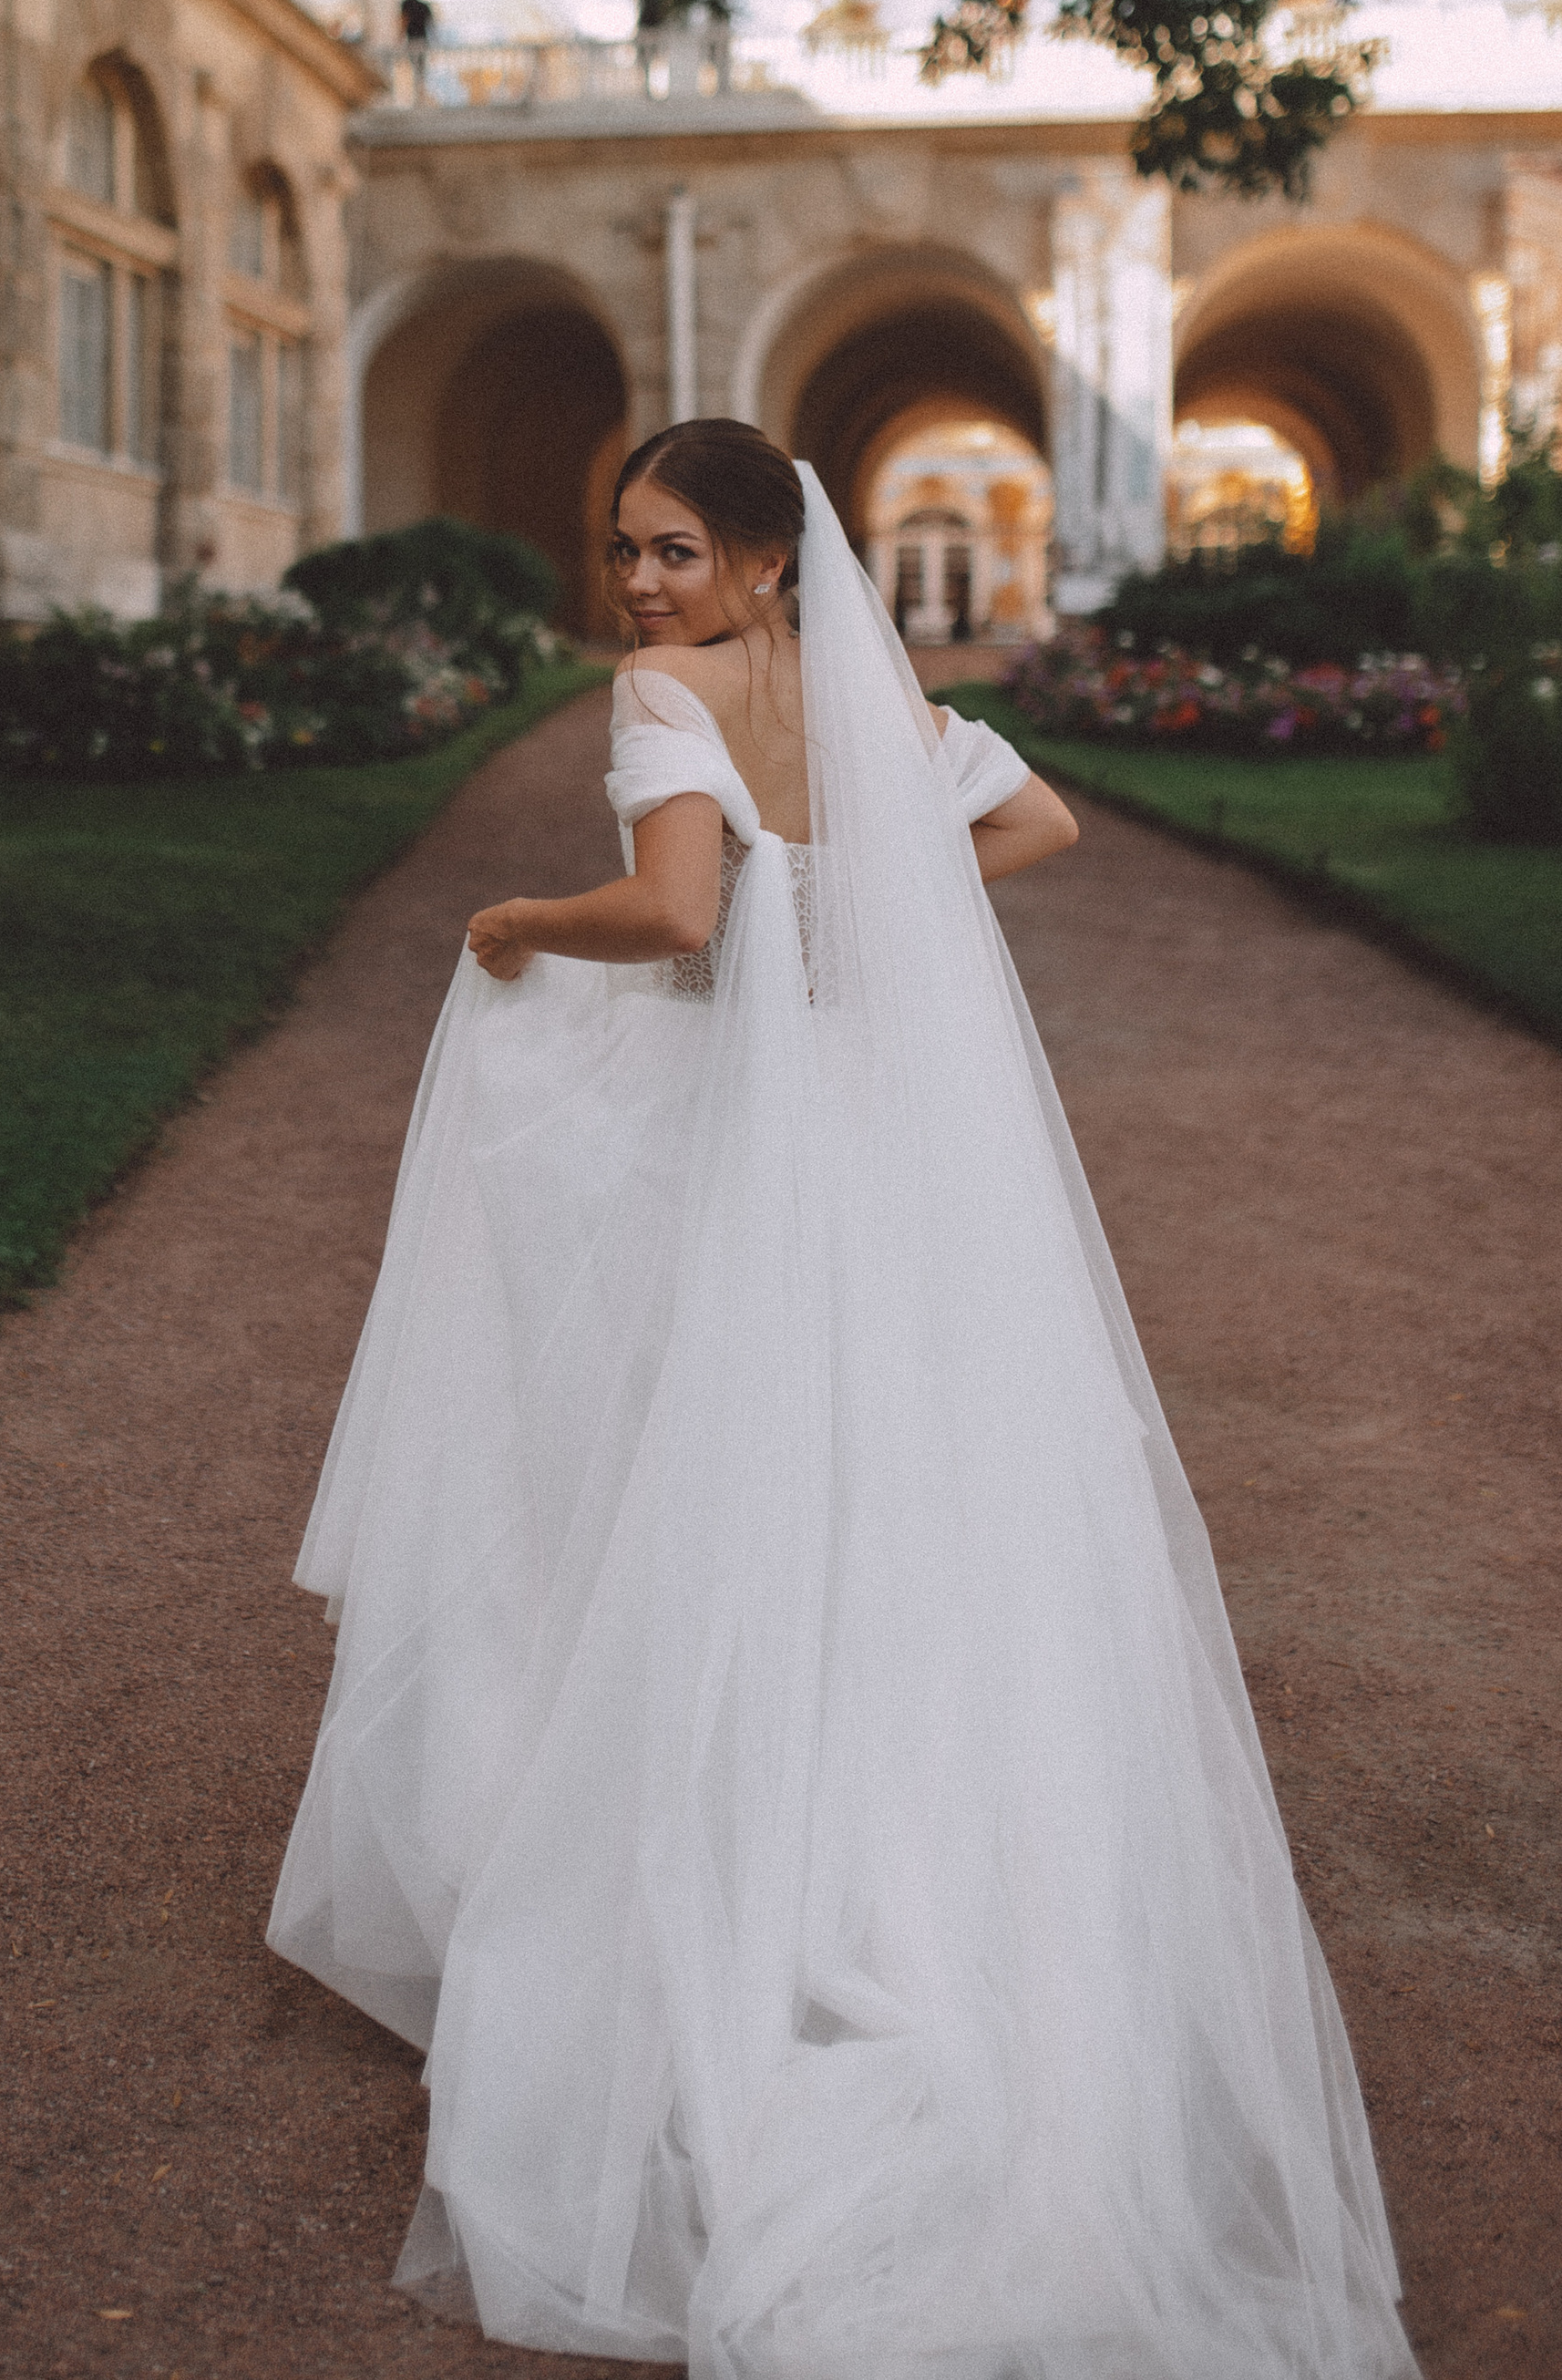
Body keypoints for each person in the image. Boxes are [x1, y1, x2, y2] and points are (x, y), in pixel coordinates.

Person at [267, 421, 1415, 2379]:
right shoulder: (879, 705)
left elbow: (673, 917)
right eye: (624, 547)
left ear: (762, 559)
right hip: (865, 1134)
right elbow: (1035, 824)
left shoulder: (663, 700)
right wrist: (851, 894)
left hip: (716, 1132)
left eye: (674, 548)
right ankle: (878, 1868)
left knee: (665, 1464)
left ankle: (684, 1866)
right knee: (874, 1460)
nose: (639, 584)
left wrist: (518, 924)